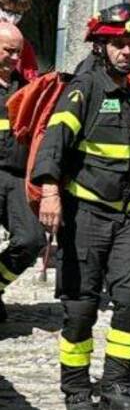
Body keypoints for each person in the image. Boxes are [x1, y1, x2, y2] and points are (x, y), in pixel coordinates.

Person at [31, 3, 130, 410]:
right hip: (87, 215)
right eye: (118, 43)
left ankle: (117, 384)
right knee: (80, 308)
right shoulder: (85, 86)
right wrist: (49, 192)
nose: (125, 51)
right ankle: (78, 390)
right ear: (101, 46)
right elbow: (56, 138)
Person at [0, 21, 46, 322]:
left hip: (16, 176)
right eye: (8, 51)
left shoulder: (27, 90)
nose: (15, 58)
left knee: (31, 239)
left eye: (18, 52)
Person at [0, 0, 39, 80]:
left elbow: (31, 84)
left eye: (18, 14)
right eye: (8, 11)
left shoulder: (24, 47)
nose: (12, 20)